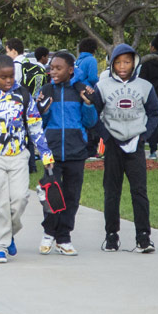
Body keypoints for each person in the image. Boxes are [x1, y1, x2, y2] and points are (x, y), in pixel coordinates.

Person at [0, 55, 54, 263]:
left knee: (19, 199)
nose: (8, 81)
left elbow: (34, 125)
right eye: (3, 77)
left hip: (18, 154)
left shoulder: (23, 95)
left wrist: (45, 154)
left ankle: (6, 234)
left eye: (11, 77)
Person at [87, 44, 158, 253]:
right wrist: (106, 137)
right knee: (112, 192)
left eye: (127, 62)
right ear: (112, 64)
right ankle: (111, 236)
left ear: (134, 63)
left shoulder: (145, 86)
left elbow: (155, 113)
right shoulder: (102, 86)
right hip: (113, 145)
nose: (122, 66)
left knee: (139, 192)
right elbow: (94, 116)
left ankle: (143, 237)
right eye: (118, 62)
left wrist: (143, 136)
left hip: (135, 144)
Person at [37, 52, 98, 256]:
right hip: (50, 151)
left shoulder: (80, 90)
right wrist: (43, 111)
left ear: (70, 70)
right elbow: (39, 123)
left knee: (72, 196)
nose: (53, 71)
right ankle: (48, 232)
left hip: (76, 151)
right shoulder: (46, 90)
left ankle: (64, 237)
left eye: (58, 68)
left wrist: (88, 105)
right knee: (51, 193)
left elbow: (90, 122)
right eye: (51, 67)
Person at [137, 33, 158, 159]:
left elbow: (142, 79)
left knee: (152, 122)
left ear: (152, 48)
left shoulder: (147, 62)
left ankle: (152, 150)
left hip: (151, 95)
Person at [72, 38, 101, 156]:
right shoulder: (91, 60)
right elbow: (93, 77)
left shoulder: (78, 61)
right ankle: (92, 149)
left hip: (78, 92)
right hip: (89, 93)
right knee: (92, 120)